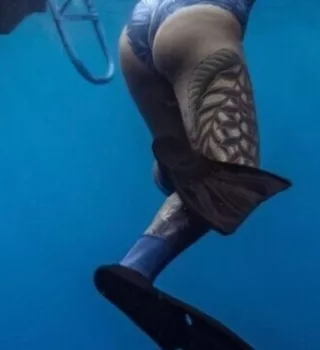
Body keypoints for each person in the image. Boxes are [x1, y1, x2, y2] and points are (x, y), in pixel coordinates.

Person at [92, 0, 292, 349]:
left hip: (139, 30)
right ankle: (136, 267)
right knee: (232, 178)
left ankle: (138, 266)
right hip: (198, 21)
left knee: (193, 168)